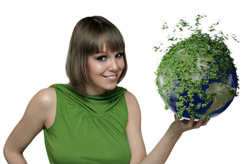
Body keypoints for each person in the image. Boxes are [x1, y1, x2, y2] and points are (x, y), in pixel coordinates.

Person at [3, 16, 209, 164]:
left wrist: (174, 132)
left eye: (118, 55)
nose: (115, 66)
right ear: (79, 59)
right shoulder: (49, 100)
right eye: (102, 58)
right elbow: (12, 150)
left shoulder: (127, 101)